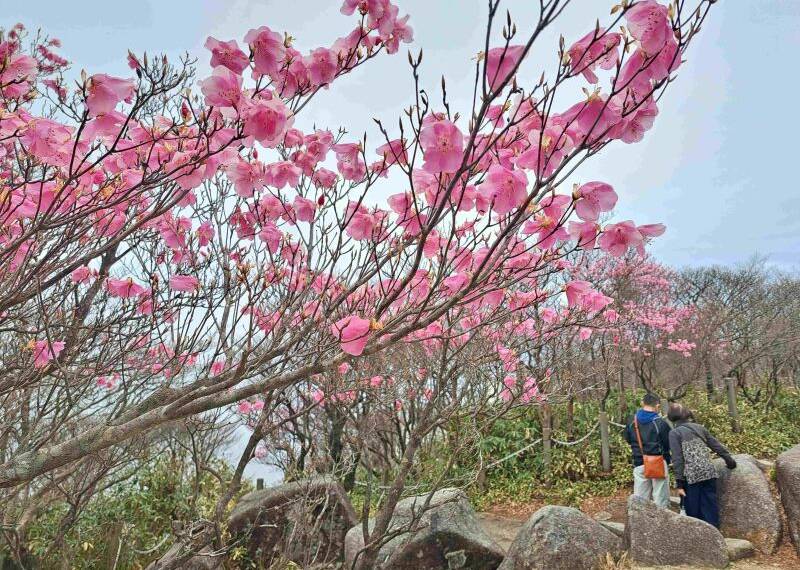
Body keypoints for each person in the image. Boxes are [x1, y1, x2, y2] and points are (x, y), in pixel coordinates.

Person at [668, 403, 737, 528]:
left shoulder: (674, 433)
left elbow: (678, 459)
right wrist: (730, 461)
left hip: (691, 476)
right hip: (708, 472)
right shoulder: (699, 428)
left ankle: (700, 539)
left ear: (671, 417)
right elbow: (716, 446)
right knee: (710, 506)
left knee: (693, 510)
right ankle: (714, 533)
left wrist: (679, 483)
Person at [624, 393, 672, 508]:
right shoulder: (660, 423)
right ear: (657, 406)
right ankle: (661, 523)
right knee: (660, 499)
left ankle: (640, 523)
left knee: (640, 500)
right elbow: (668, 444)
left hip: (639, 462)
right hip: (658, 462)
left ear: (642, 403)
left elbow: (628, 439)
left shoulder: (632, 420)